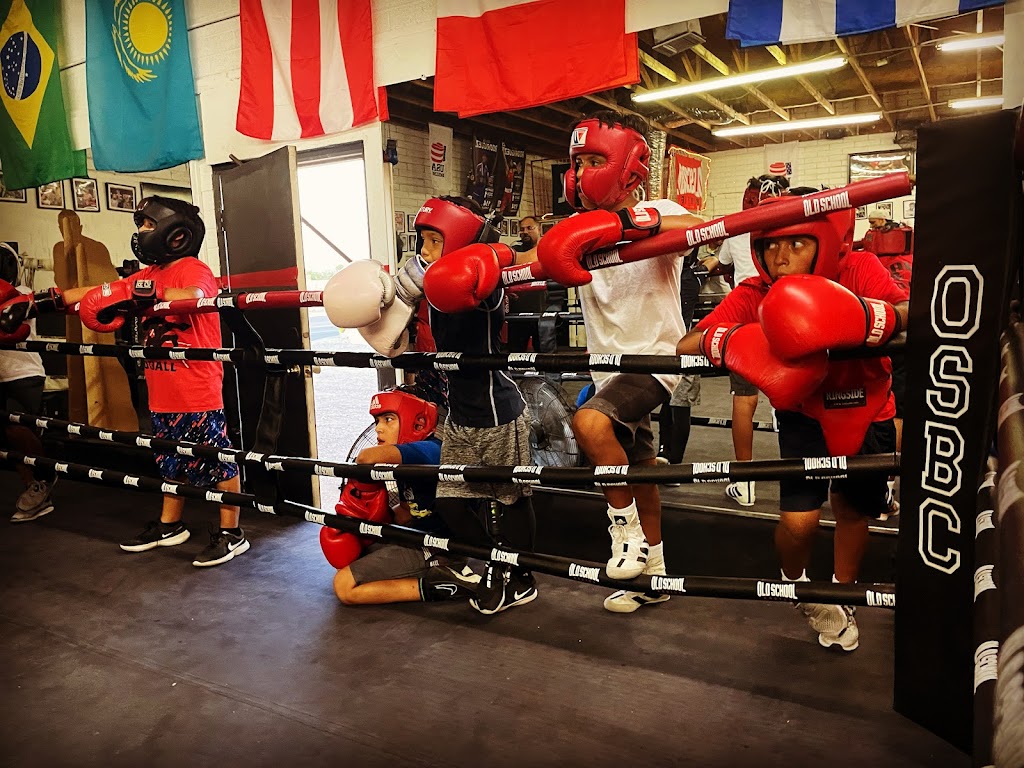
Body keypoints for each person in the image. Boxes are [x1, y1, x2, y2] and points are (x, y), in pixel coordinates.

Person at [677, 189, 909, 651]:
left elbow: (909, 311)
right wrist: (739, 342)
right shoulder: (756, 291)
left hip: (867, 407)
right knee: (799, 522)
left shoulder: (859, 268)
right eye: (770, 246)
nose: (780, 259)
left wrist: (866, 317)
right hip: (803, 414)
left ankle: (842, 595)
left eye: (796, 244)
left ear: (824, 240)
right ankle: (800, 587)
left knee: (853, 510)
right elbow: (687, 343)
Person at [3, 197, 249, 566]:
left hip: (196, 389)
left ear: (176, 234)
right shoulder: (146, 275)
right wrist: (40, 302)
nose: (141, 233)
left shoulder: (192, 268)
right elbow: (98, 292)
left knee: (218, 463)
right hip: (161, 389)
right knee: (169, 461)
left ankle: (232, 533)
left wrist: (149, 294)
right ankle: (171, 524)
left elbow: (197, 297)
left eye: (148, 225)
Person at [326, 195, 539, 615]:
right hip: (460, 415)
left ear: (459, 241)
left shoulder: (484, 279)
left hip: (496, 413)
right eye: (422, 240)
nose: (423, 251)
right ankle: (492, 563)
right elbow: (392, 342)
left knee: (511, 497)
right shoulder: (428, 281)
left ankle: (522, 577)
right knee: (452, 500)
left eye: (432, 241)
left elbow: (503, 276)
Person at [535, 110, 705, 613]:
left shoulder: (659, 207)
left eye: (594, 159)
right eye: (577, 161)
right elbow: (530, 258)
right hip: (610, 369)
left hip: (656, 361)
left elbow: (702, 227)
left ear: (627, 166)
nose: (583, 172)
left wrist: (632, 223)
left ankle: (625, 539)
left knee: (589, 423)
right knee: (640, 470)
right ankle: (651, 575)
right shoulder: (574, 229)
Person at [322, 388, 481, 605]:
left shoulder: (429, 450)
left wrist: (361, 491)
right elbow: (407, 511)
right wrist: (366, 521)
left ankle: (442, 584)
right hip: (420, 536)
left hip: (438, 547)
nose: (378, 428)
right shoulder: (402, 463)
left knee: (344, 586)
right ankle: (437, 572)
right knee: (359, 552)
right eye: (378, 420)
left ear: (417, 423)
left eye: (388, 419)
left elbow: (365, 458)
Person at [702, 175, 787, 507]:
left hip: (746, 319)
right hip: (785, 311)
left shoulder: (737, 227)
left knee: (744, 400)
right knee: (794, 399)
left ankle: (746, 480)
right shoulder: (788, 227)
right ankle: (813, 474)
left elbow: (721, 264)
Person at [0, 245, 57, 523]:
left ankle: (45, 476)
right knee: (7, 435)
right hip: (2, 375)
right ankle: (32, 488)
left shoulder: (21, 295)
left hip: (22, 373)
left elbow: (12, 327)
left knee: (17, 430)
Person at [505, 215, 557, 355]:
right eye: (522, 229)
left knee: (544, 352)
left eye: (529, 228)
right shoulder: (514, 250)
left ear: (539, 229)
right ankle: (516, 376)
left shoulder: (547, 248)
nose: (525, 232)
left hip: (542, 308)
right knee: (516, 352)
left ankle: (546, 377)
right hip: (519, 308)